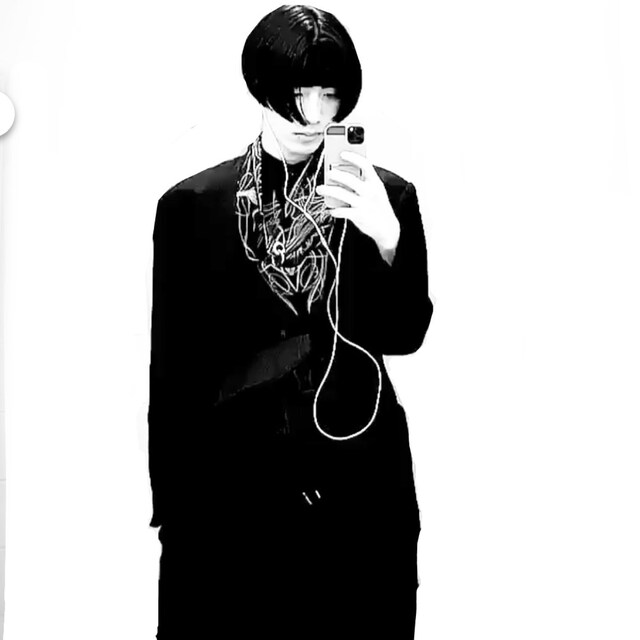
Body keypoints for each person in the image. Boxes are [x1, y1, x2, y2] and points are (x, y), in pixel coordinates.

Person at [148, 4, 433, 639]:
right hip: (232, 494)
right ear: (262, 87)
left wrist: (387, 240)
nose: (314, 115)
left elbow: (405, 334)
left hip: (360, 485)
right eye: (299, 94)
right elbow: (173, 369)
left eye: (330, 95)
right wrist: (174, 510)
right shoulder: (194, 206)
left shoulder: (386, 197)